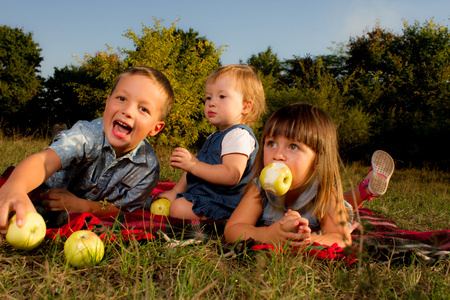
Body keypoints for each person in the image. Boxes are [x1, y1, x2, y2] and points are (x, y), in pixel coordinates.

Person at [0, 66, 174, 235]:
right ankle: (60, 133)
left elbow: (124, 209)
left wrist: (82, 206)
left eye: (143, 109)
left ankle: (61, 131)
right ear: (107, 103)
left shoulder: (148, 169)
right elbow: (45, 161)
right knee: (66, 144)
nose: (128, 111)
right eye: (121, 98)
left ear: (155, 128)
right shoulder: (87, 135)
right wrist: (15, 186)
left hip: (86, 199)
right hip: (55, 183)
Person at [224, 103, 394, 248]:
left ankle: (365, 189)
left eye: (293, 147)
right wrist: (268, 234)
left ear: (318, 160)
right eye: (271, 143)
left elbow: (341, 239)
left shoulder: (326, 191)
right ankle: (367, 187)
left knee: (342, 204)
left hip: (322, 199)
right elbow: (233, 229)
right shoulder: (260, 188)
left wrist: (306, 239)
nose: (278, 155)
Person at [156, 65, 266, 220]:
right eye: (208, 97)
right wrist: (176, 190)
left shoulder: (238, 136)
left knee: (178, 208)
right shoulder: (215, 136)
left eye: (222, 97)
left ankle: (219, 222)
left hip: (227, 203)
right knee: (174, 202)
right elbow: (193, 171)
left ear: (245, 106)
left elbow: (232, 175)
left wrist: (194, 165)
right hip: (209, 197)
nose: (212, 103)